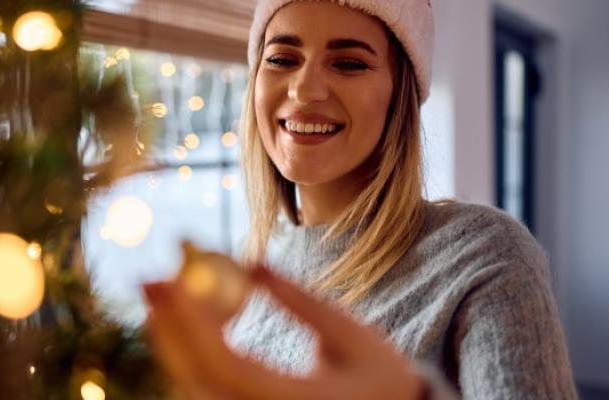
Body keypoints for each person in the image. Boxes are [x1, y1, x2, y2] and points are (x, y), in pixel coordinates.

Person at [142, 0, 578, 399]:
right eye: (280, 59)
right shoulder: (252, 271)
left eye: (349, 63)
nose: (305, 90)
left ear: (399, 97)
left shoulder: (485, 255)